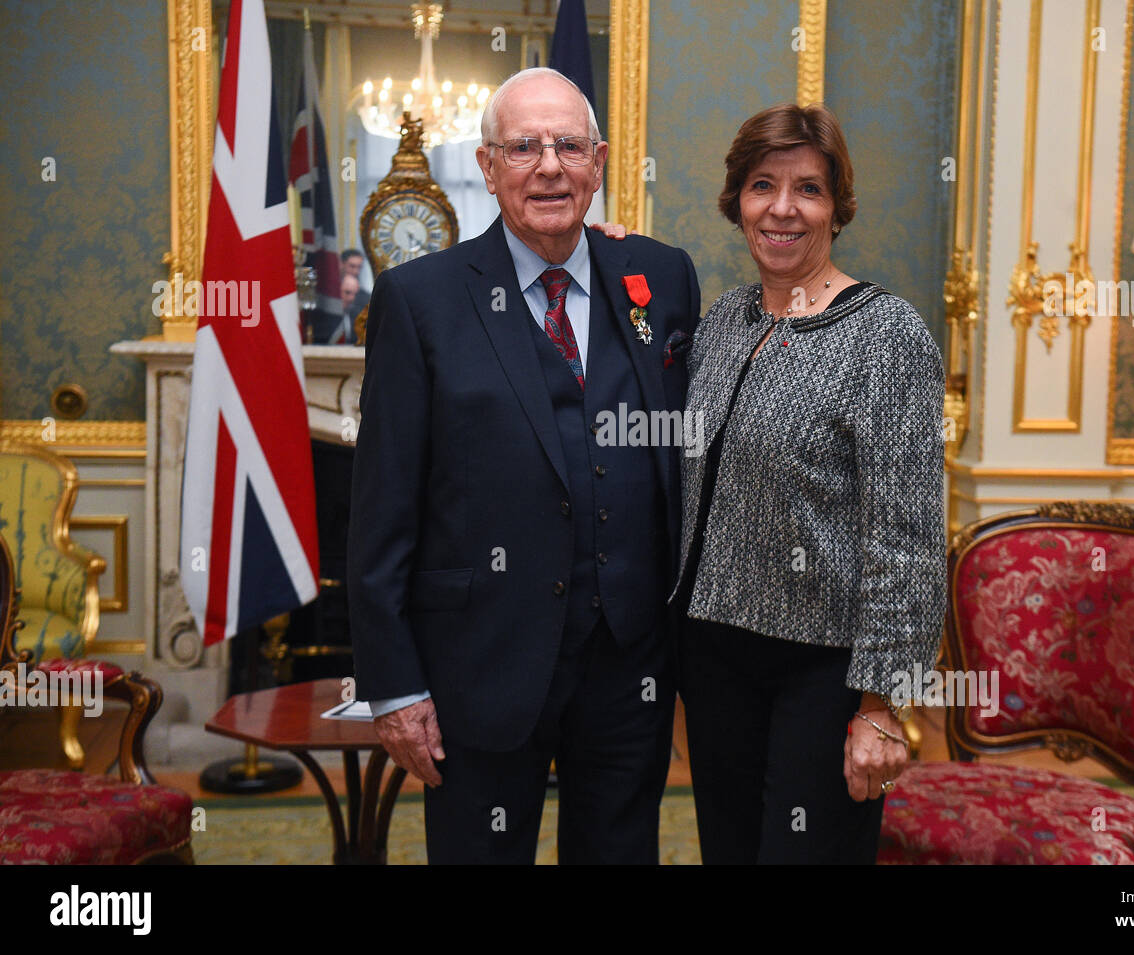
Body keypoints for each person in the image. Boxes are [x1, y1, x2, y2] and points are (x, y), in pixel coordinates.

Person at [347, 67, 700, 865]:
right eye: (524, 147)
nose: (549, 165)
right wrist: (395, 687)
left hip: (629, 667)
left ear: (599, 163)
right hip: (481, 665)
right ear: (487, 165)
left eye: (569, 145)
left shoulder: (662, 279)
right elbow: (382, 508)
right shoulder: (419, 299)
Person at [670, 103, 946, 864]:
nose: (783, 208)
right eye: (762, 185)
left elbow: (910, 536)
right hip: (714, 660)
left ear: (836, 207)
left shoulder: (886, 333)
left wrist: (883, 704)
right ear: (738, 202)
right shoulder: (723, 321)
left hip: (824, 674)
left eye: (809, 189)